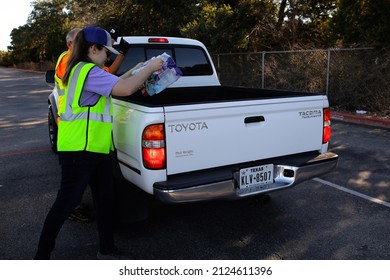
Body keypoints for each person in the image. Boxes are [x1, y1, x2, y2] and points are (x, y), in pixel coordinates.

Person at [34, 26, 163, 260]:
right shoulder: (87, 71)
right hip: (80, 151)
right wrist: (151, 68)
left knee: (105, 200)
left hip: (95, 149)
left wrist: (134, 70)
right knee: (65, 205)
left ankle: (107, 249)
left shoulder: (83, 69)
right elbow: (124, 89)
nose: (109, 56)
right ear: (93, 49)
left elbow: (112, 82)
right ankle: (41, 258)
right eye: (106, 51)